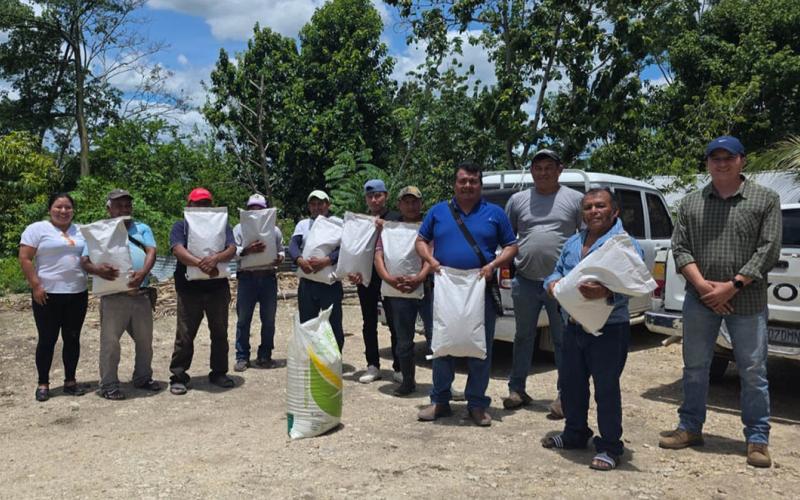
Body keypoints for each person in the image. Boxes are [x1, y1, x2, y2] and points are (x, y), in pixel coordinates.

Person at [658, 136, 782, 469]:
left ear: (743, 160)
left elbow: (769, 249)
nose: (722, 163)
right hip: (700, 300)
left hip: (748, 299)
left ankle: (757, 439)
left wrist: (732, 286)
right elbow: (680, 247)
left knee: (753, 371)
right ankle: (690, 428)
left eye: (729, 157)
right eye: (715, 158)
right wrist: (702, 286)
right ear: (708, 162)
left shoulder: (765, 199)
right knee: (695, 367)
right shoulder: (690, 202)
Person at [541, 187, 643, 471]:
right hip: (572, 325)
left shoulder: (625, 244)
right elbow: (557, 271)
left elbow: (635, 283)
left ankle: (610, 446)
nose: (594, 212)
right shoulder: (574, 241)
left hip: (609, 329)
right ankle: (575, 433)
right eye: (588, 207)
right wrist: (551, 283)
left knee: (606, 388)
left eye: (600, 206)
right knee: (572, 384)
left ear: (615, 211)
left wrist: (606, 293)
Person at [415, 161, 518, 426]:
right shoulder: (438, 211)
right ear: (455, 184)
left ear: (480, 185)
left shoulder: (495, 213)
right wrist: (431, 262)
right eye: (463, 181)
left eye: (473, 181)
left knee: (480, 347)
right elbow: (420, 240)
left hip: (480, 288)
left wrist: (493, 265)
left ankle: (476, 404)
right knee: (442, 345)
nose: (468, 185)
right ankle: (440, 401)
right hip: (445, 286)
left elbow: (511, 247)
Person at [502, 149, 583, 417]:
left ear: (560, 169)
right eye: (538, 167)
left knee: (563, 341)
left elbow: (586, 240)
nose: (543, 172)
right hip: (525, 281)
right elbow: (508, 237)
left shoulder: (575, 199)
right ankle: (517, 389)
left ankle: (564, 395)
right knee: (523, 336)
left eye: (549, 167)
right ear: (531, 171)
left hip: (561, 284)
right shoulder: (517, 200)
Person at [80, 189, 160, 400]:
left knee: (145, 341)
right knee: (110, 343)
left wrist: (143, 272)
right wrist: (98, 270)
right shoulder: (98, 230)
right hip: (114, 295)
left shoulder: (142, 228)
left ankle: (143, 377)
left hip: (140, 294)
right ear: (109, 208)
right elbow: (85, 260)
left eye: (127, 205)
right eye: (119, 205)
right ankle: (108, 385)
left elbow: (152, 251)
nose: (125, 208)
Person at [19, 193, 89, 402]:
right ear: (50, 209)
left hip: (77, 293)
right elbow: (25, 257)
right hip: (47, 294)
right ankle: (43, 383)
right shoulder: (37, 229)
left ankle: (70, 381)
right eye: (58, 207)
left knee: (72, 338)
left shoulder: (81, 231)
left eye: (68, 207)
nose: (63, 211)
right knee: (47, 339)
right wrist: (36, 286)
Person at [168, 187, 237, 395]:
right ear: (189, 205)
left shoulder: (223, 225)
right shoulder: (181, 226)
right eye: (198, 203)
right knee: (185, 334)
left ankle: (219, 372)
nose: (202, 207)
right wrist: (202, 263)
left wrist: (215, 258)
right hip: (189, 290)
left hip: (217, 288)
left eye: (206, 203)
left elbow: (232, 248)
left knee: (220, 332)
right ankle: (178, 375)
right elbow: (178, 250)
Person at [374, 186, 433, 396]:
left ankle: (443, 384)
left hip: (427, 289)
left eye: (414, 201)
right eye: (406, 202)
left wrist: (420, 277)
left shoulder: (429, 227)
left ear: (421, 203)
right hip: (397, 292)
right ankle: (408, 381)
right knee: (403, 341)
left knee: (437, 339)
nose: (411, 205)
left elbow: (431, 253)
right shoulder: (389, 229)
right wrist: (389, 279)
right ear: (399, 205)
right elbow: (378, 256)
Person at [349, 179, 402, 384]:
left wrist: (386, 227)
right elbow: (353, 249)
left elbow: (406, 238)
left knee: (394, 322)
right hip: (366, 278)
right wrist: (352, 271)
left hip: (390, 277)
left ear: (386, 196)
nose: (374, 199)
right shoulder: (360, 222)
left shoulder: (396, 218)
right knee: (368, 322)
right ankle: (373, 365)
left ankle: (399, 366)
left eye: (378, 195)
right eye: (370, 196)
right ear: (366, 199)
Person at [233, 193, 284, 371]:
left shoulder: (274, 230)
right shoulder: (239, 229)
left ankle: (265, 355)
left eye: (259, 208)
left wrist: (279, 258)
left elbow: (281, 251)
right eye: (252, 208)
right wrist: (247, 250)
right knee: (243, 319)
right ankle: (242, 357)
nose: (256, 211)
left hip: (268, 278)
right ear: (247, 210)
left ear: (265, 210)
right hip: (247, 278)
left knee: (269, 320)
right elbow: (232, 252)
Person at [289, 190, 345, 350]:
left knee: (334, 324)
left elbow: (344, 248)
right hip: (307, 283)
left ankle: (334, 361)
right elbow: (293, 245)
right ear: (309, 207)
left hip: (330, 284)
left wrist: (327, 261)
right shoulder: (303, 224)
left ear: (328, 205)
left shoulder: (337, 223)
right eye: (313, 204)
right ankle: (310, 361)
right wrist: (300, 261)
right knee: (308, 324)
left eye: (320, 203)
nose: (316, 207)